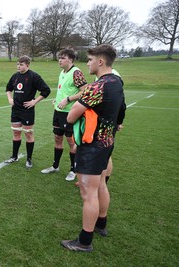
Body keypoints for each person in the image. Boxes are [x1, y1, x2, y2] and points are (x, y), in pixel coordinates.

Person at [61, 44, 124, 252]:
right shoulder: (116, 82)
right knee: (101, 186)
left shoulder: (98, 86)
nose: (87, 63)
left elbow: (72, 115)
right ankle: (101, 225)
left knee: (89, 193)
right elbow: (121, 110)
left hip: (93, 144)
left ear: (100, 61)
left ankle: (84, 241)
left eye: (89, 60)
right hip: (107, 142)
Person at [40, 48, 87, 181]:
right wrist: (58, 99)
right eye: (59, 57)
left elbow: (85, 92)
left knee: (71, 141)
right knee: (57, 138)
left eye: (63, 57)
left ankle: (74, 169)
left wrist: (67, 99)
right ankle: (55, 166)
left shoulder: (76, 72)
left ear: (70, 59)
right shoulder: (62, 72)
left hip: (70, 113)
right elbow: (64, 90)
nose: (59, 60)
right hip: (58, 112)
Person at [4, 55, 51, 168]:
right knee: (16, 133)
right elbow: (8, 88)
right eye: (17, 64)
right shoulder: (15, 76)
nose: (18, 66)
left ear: (27, 65)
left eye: (21, 64)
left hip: (27, 111)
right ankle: (14, 157)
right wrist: (10, 98)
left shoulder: (34, 76)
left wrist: (35, 101)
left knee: (28, 134)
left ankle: (29, 159)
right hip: (15, 110)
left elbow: (46, 90)